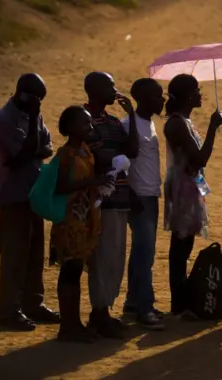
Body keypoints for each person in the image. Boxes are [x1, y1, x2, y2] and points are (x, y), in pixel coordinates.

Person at [0, 73, 60, 331]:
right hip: (14, 195)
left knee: (34, 254)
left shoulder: (34, 115)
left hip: (34, 193)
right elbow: (22, 156)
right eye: (35, 99)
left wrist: (33, 144)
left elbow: (47, 147)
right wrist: (33, 126)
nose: (39, 104)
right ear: (22, 93)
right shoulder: (4, 119)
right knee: (14, 256)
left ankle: (33, 303)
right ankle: (9, 309)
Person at [83, 72, 143, 335]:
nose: (114, 90)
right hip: (100, 199)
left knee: (115, 256)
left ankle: (104, 310)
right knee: (102, 258)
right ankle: (99, 312)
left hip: (118, 196)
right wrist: (115, 157)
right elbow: (93, 154)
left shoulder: (113, 121)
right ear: (94, 90)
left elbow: (131, 151)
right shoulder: (83, 119)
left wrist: (132, 117)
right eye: (109, 86)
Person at [164, 74, 222, 319]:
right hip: (183, 189)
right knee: (180, 246)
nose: (200, 94)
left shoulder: (184, 121)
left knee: (183, 245)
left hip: (188, 185)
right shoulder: (177, 123)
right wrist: (213, 127)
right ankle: (179, 305)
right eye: (197, 91)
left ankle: (182, 302)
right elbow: (200, 159)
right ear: (188, 95)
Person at [51, 106, 113, 343]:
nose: (90, 127)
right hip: (69, 221)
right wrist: (92, 181)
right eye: (85, 124)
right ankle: (68, 326)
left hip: (83, 219)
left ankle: (73, 323)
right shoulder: (65, 155)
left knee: (75, 271)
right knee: (69, 272)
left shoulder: (85, 151)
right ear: (70, 128)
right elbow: (59, 187)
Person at [122, 79, 165, 324]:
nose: (163, 100)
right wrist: (130, 193)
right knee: (145, 253)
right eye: (159, 96)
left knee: (141, 251)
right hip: (139, 197)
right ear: (145, 98)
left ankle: (133, 302)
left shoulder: (148, 124)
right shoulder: (128, 124)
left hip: (151, 194)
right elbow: (125, 160)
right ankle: (144, 308)